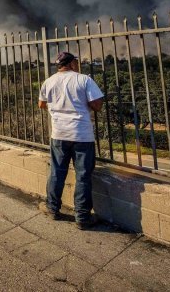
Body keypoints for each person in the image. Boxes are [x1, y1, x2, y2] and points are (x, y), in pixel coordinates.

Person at [38, 52, 104, 228]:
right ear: (72, 63)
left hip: (59, 134)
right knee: (83, 175)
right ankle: (82, 218)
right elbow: (97, 105)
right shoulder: (84, 80)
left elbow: (41, 104)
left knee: (56, 172)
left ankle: (52, 209)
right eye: (76, 61)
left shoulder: (49, 81)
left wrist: (58, 108)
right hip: (81, 135)